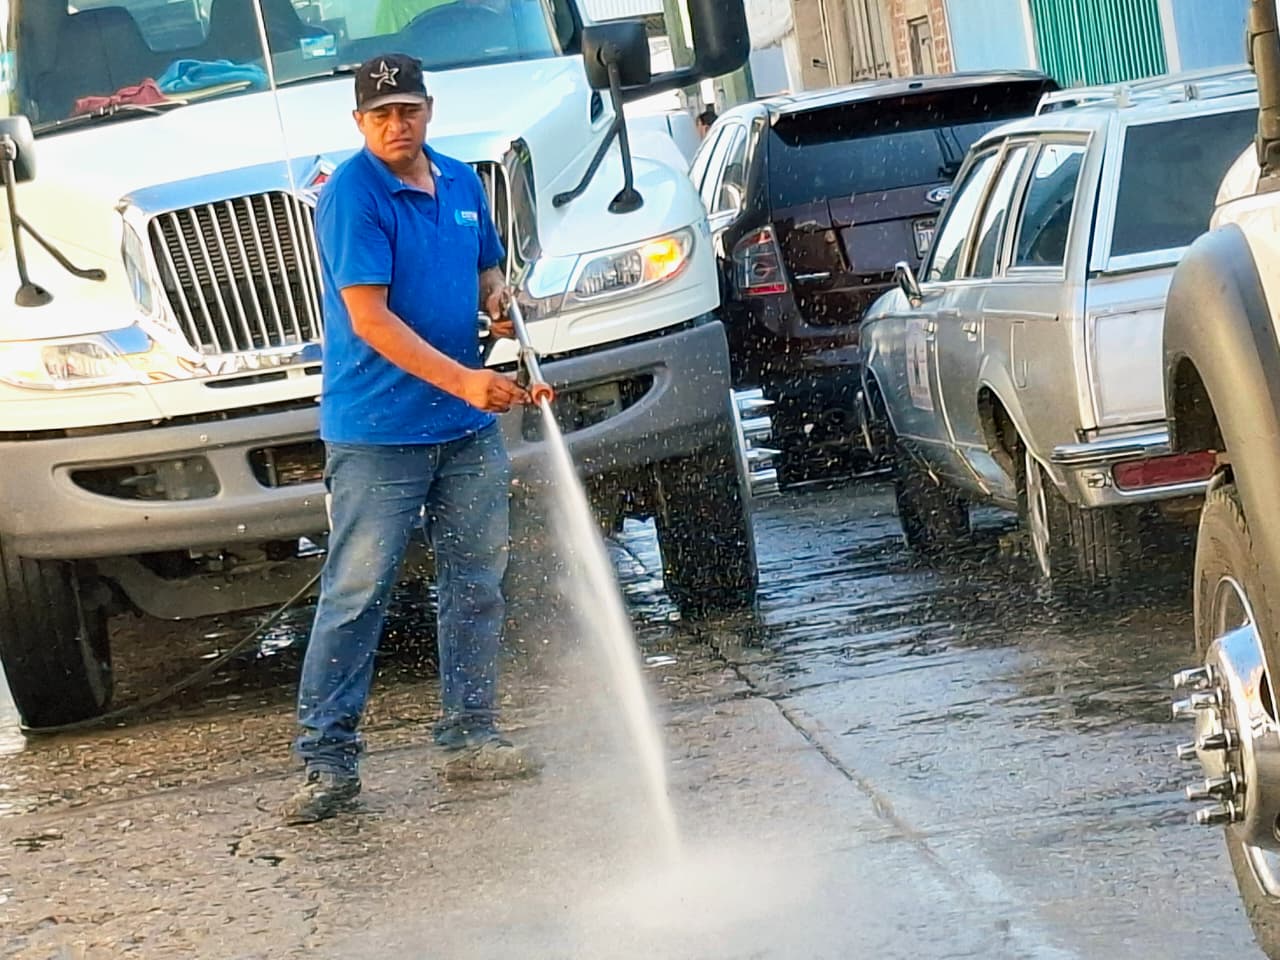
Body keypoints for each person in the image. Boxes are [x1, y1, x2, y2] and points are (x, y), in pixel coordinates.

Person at [283, 52, 538, 825]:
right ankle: (326, 762)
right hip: (378, 432)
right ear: (359, 122)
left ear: (429, 111)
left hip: (464, 431)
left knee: (476, 583)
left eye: (409, 110)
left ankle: (470, 735)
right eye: (381, 115)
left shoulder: (460, 182)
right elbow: (369, 319)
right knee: (358, 593)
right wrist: (465, 380)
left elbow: (487, 272)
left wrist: (499, 302)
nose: (397, 125)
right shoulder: (352, 195)